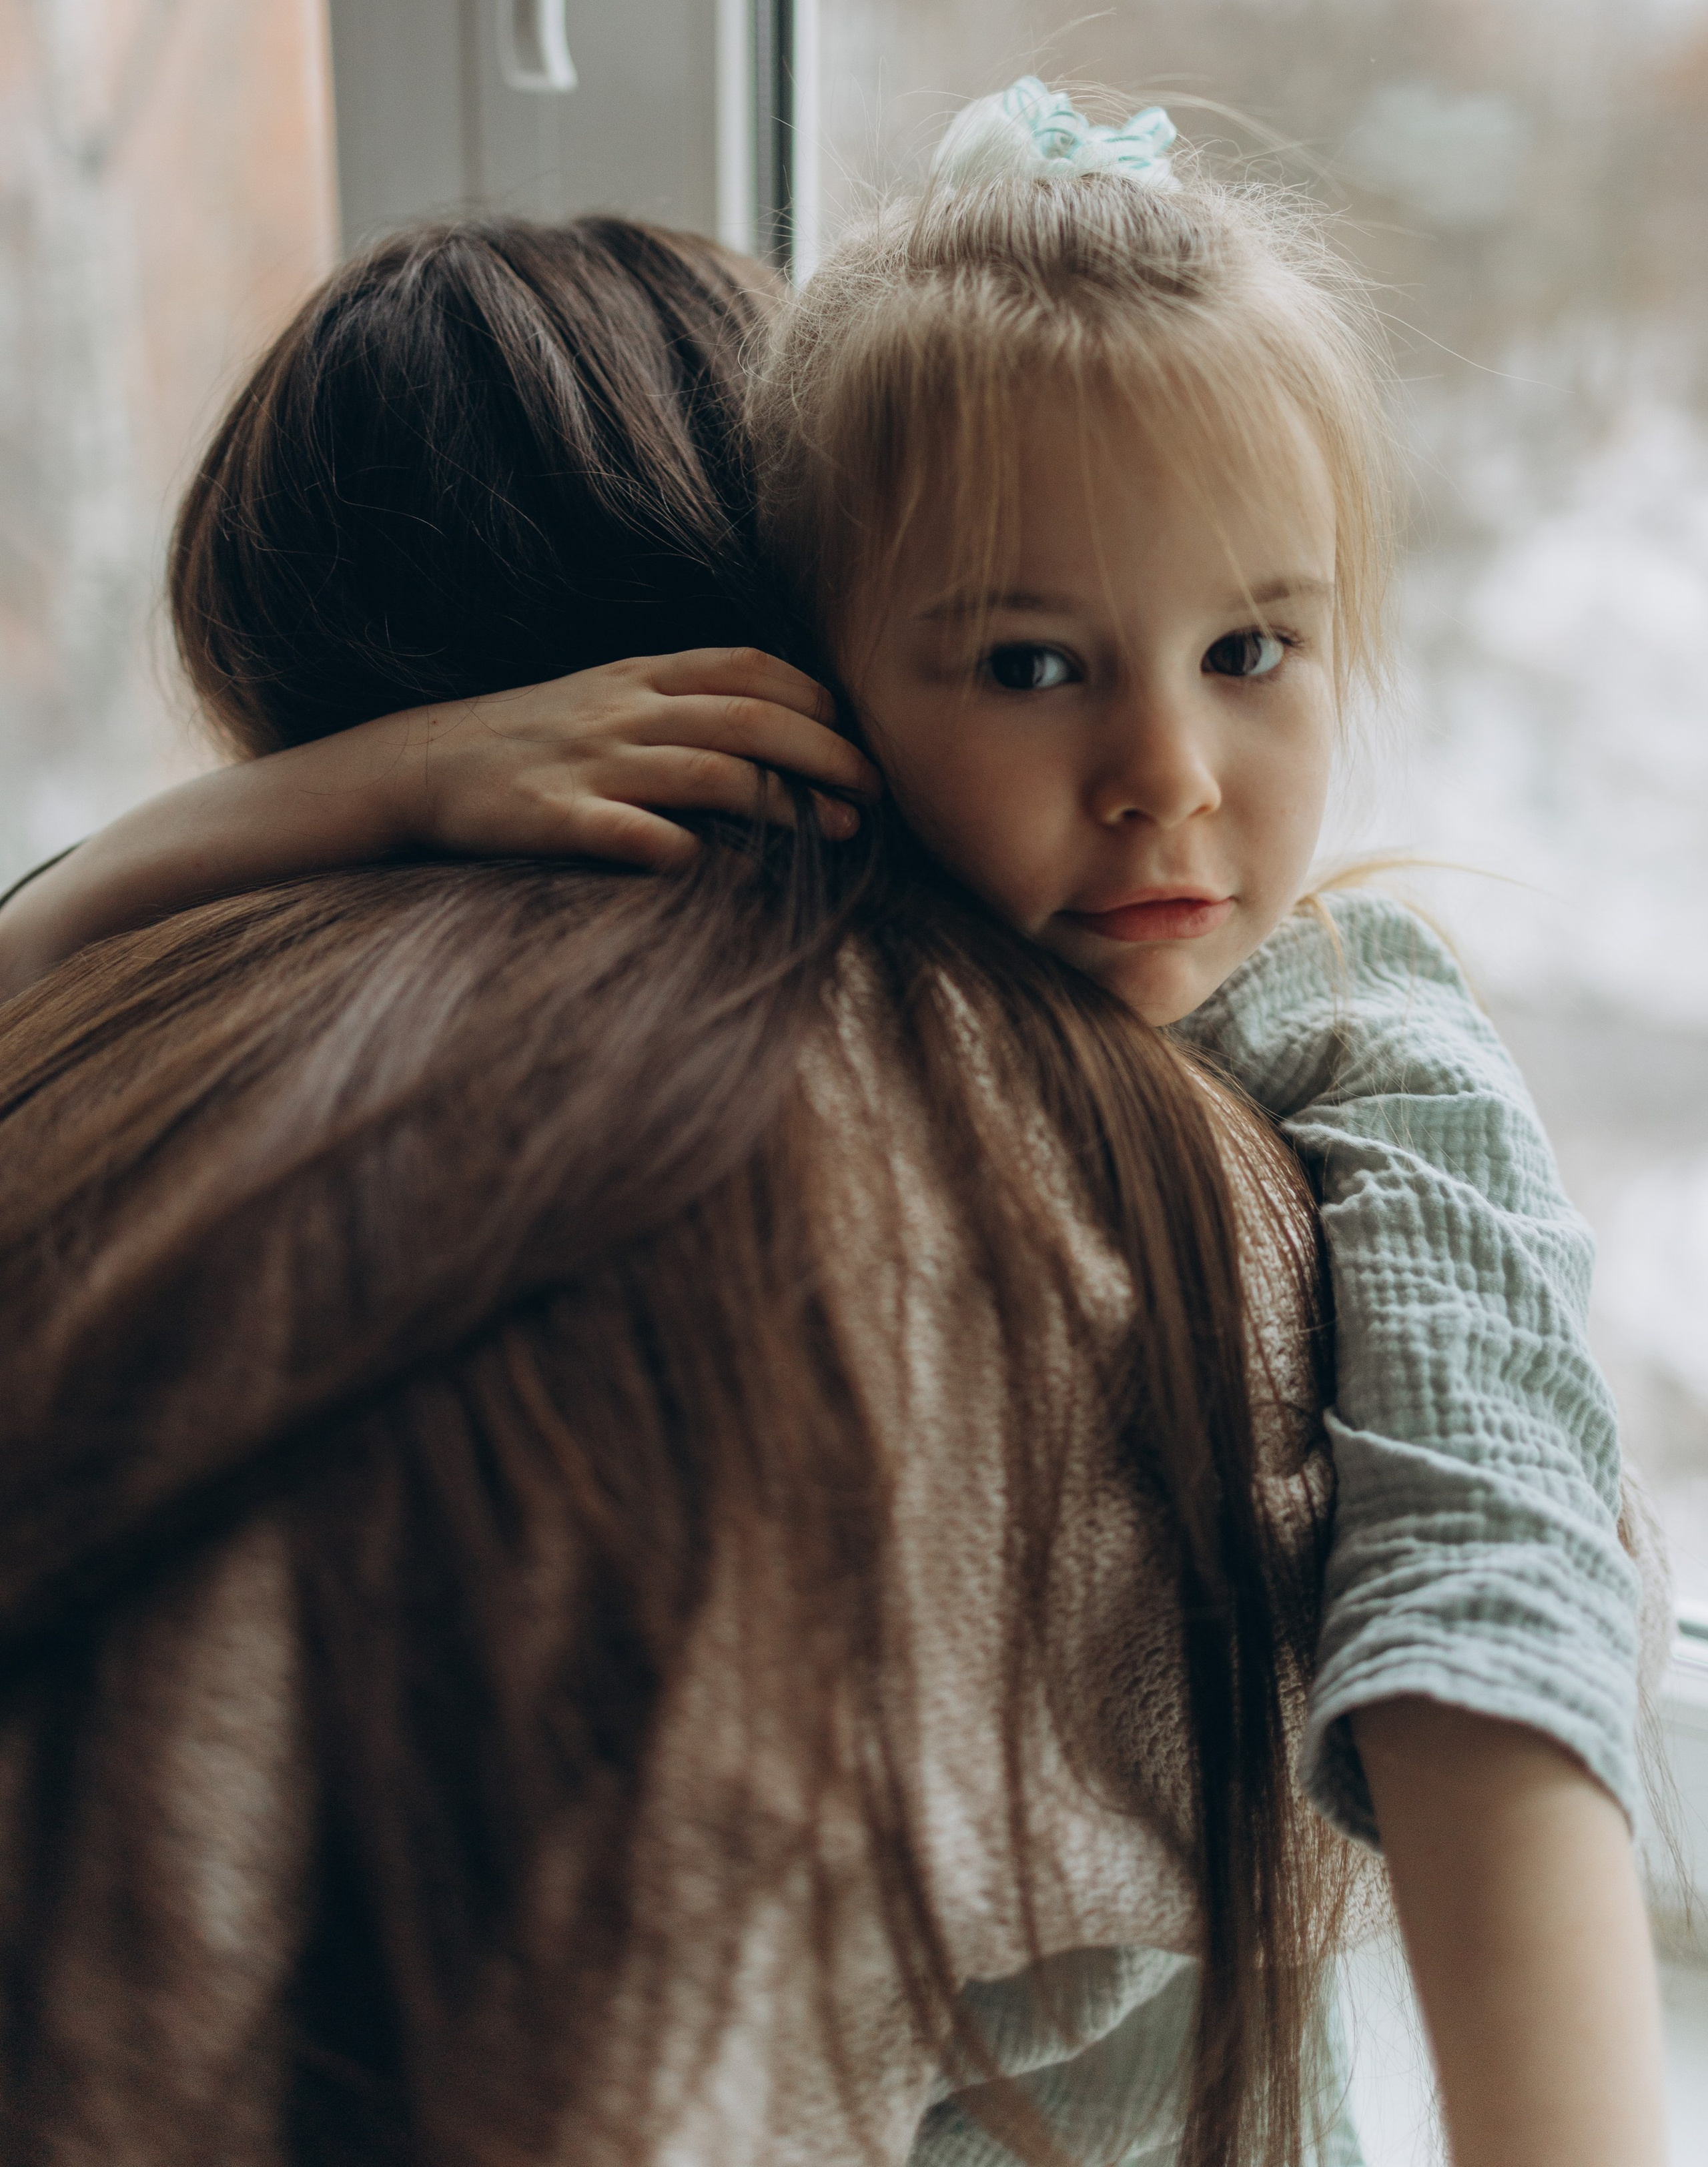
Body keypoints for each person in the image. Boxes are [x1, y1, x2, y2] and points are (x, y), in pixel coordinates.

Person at [0, 174, 1671, 2164]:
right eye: (1028, 662)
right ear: (809, 646)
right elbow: (1505, 1619)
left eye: (1251, 646)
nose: (1169, 779)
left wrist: (275, 817)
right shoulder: (1126, 1164)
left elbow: (1497, 1595)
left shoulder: (121, 1066)